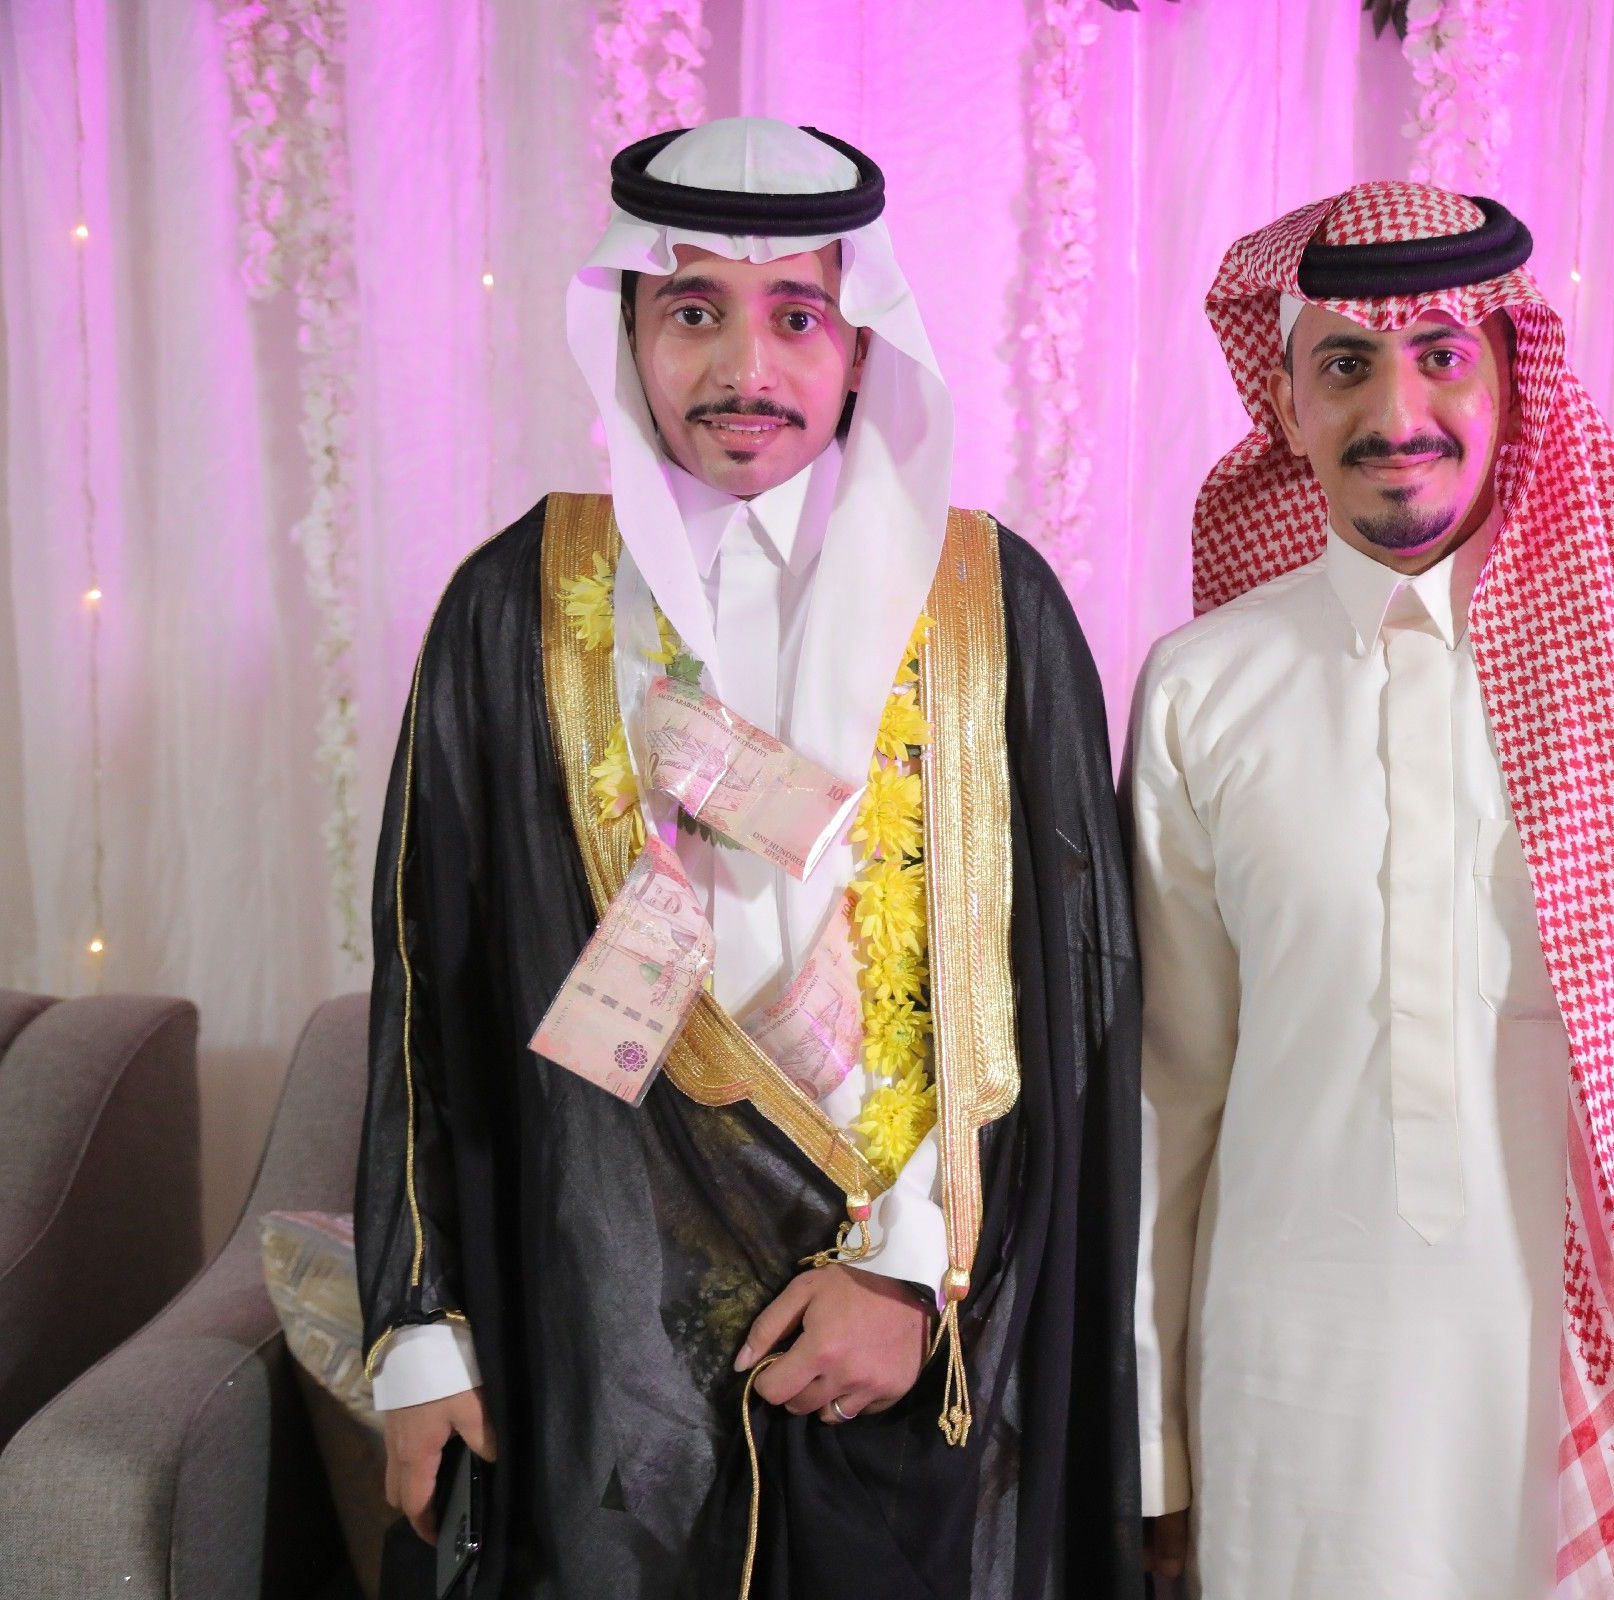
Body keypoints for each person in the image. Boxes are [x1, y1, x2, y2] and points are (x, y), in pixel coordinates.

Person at [354, 116, 1140, 1600]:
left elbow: (1067, 1004)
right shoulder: (516, 604)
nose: (744, 369)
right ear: (629, 330)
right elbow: (425, 987)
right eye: (694, 311)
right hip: (597, 1341)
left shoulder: (991, 607)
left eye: (796, 316)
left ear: (862, 342)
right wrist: (418, 1331)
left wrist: (918, 1269)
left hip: (913, 1345)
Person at [1128, 182, 1614, 1599]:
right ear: (1285, 403)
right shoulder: (1200, 688)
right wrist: (1153, 1445)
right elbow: (1171, 1095)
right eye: (1344, 365)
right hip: (1298, 1402)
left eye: (1441, 357)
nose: (1395, 411)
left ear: (1513, 378)